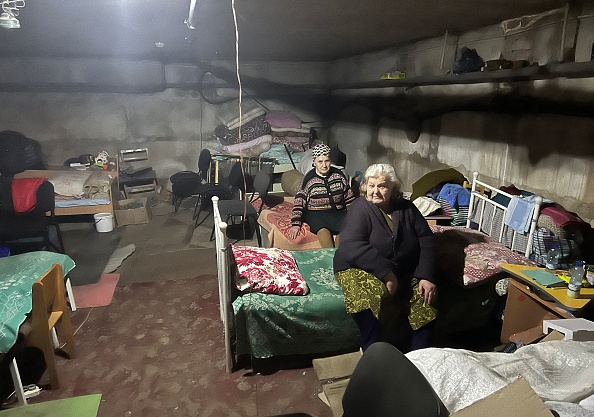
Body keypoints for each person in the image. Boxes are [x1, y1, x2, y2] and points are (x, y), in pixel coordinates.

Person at [333, 163, 438, 353]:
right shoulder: (360, 208)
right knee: (369, 297)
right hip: (357, 265)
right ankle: (371, 350)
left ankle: (420, 357)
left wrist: (426, 276)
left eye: (382, 186)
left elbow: (426, 239)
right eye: (371, 185)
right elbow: (351, 245)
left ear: (393, 188)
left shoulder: (406, 208)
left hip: (402, 268)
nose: (376, 191)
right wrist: (387, 274)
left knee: (425, 301)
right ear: (365, 186)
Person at [289, 143, 355, 248]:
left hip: (338, 213)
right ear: (314, 162)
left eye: (327, 161)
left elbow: (349, 198)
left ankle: (338, 254)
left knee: (347, 228)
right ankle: (329, 255)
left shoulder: (338, 176)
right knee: (323, 230)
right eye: (320, 161)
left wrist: (354, 215)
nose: (324, 165)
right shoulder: (309, 179)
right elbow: (299, 201)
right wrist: (296, 224)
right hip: (316, 214)